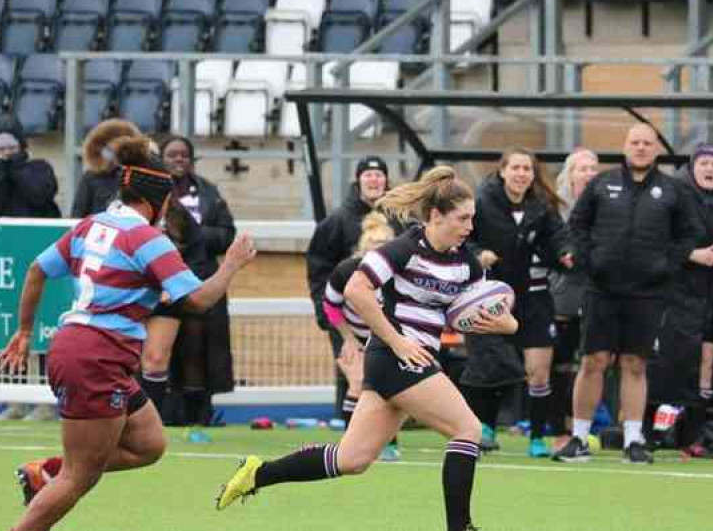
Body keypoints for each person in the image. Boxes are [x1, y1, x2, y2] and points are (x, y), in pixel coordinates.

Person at [216, 166, 517, 531]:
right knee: (467, 429)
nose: (470, 226)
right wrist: (397, 339)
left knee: (352, 458)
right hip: (395, 357)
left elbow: (490, 313)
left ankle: (257, 474)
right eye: (463, 218)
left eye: (473, 218)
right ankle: (461, 527)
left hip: (409, 360)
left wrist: (505, 323)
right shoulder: (404, 247)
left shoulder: (465, 263)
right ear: (436, 216)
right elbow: (356, 289)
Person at [0, 135, 257, 531]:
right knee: (79, 477)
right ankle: (47, 487)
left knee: (149, 444)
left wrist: (25, 330)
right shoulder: (148, 238)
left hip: (89, 351)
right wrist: (232, 264)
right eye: (167, 203)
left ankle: (44, 473)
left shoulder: (91, 225)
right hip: (95, 356)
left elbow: (36, 270)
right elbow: (199, 300)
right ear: (157, 201)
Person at [552, 123, 699, 464]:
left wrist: (666, 266)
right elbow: (578, 225)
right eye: (635, 142)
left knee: (635, 364)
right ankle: (579, 438)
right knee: (593, 362)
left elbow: (689, 235)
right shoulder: (603, 185)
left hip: (648, 293)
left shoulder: (672, 190)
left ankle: (634, 440)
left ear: (656, 150)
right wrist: (590, 262)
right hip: (601, 290)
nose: (641, 148)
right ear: (625, 146)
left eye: (647, 143)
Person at [462, 147, 572, 457]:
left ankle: (537, 438)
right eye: (516, 168)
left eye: (527, 169)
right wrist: (478, 253)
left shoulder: (542, 206)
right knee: (494, 365)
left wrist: (566, 253)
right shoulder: (482, 203)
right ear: (502, 171)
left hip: (536, 297)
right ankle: (486, 426)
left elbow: (559, 236)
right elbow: (465, 238)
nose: (522, 174)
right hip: (495, 297)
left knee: (538, 370)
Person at [647, 143, 713, 456]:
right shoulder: (674, 199)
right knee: (672, 368)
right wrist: (692, 255)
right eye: (703, 163)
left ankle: (694, 438)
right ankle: (655, 433)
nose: (709, 169)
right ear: (692, 167)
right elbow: (657, 245)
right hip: (677, 300)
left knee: (706, 366)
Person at [138, 136, 237, 428]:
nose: (178, 159)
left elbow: (226, 234)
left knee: (198, 349)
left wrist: (190, 234)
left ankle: (198, 413)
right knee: (157, 353)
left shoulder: (209, 193)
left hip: (200, 280)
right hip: (158, 285)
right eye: (172, 154)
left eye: (184, 154)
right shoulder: (148, 196)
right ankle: (158, 414)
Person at [0, 115, 61, 421]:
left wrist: (15, 167)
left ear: (23, 145)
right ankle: (16, 397)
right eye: (1, 148)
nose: (6, 152)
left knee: (41, 331)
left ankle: (44, 401)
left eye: (12, 146)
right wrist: (1, 171)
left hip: (41, 267)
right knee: (7, 331)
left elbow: (40, 195)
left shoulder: (39, 169)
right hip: (5, 266)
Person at [306, 155, 392, 418]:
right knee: (353, 372)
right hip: (345, 316)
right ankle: (350, 431)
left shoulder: (399, 216)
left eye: (379, 175)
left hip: (387, 314)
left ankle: (385, 433)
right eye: (368, 174)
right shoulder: (336, 221)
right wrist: (327, 317)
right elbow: (318, 269)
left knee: (385, 374)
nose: (374, 179)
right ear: (358, 180)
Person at [322, 211, 402, 460]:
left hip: (383, 335)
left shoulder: (398, 272)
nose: (381, 251)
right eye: (376, 246)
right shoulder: (346, 271)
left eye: (386, 246)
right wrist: (349, 339)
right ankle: (350, 443)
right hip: (351, 333)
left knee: (389, 389)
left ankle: (388, 443)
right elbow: (330, 306)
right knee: (357, 382)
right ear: (364, 248)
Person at [547, 149, 600, 448]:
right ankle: (559, 430)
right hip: (562, 296)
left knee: (591, 364)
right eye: (583, 168)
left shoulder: (606, 204)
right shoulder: (555, 206)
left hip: (597, 294)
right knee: (560, 365)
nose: (589, 173)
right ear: (570, 173)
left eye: (593, 168)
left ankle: (581, 427)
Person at [70, 119, 142, 218]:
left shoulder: (141, 176)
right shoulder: (91, 177)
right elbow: (78, 215)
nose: (114, 151)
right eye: (108, 147)